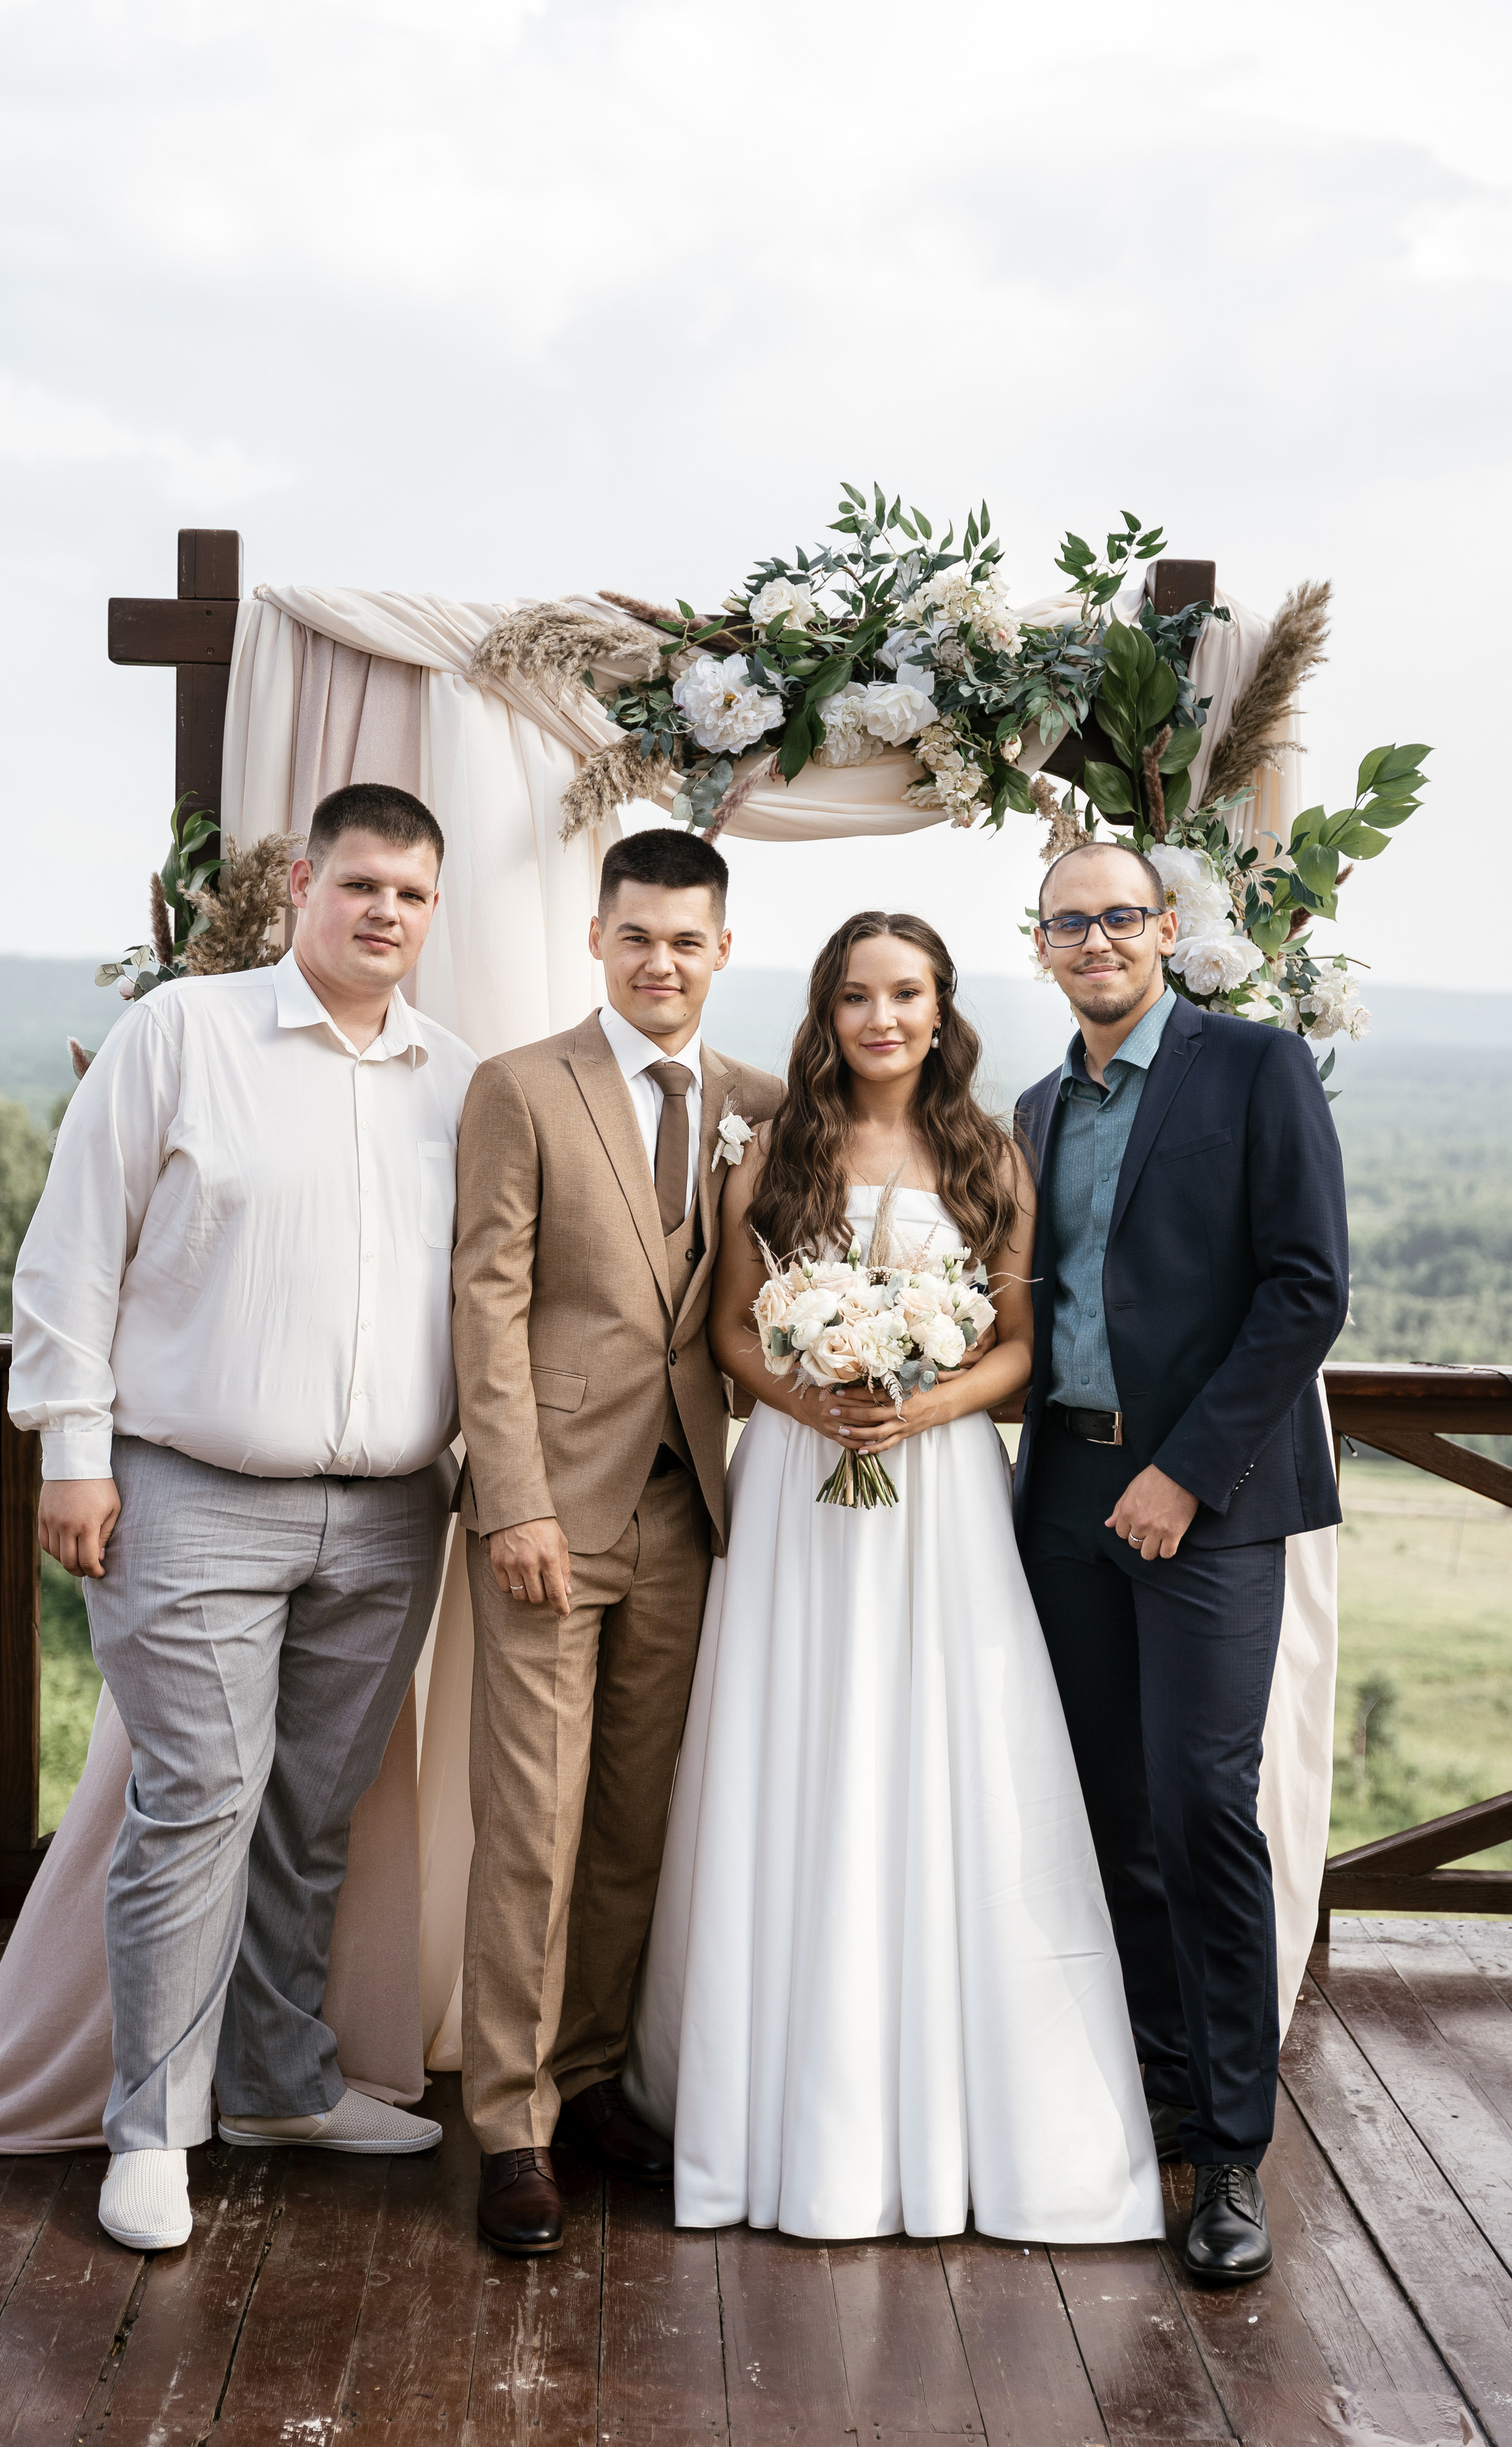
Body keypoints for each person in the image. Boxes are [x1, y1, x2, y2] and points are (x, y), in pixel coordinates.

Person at [624, 911, 1164, 2247]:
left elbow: (1020, 1342)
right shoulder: (772, 1148)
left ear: (940, 1008)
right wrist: (810, 1395)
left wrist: (923, 1409)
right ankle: (772, 2104)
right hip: (803, 1497)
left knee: (945, 1759)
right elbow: (733, 1332)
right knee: (797, 1753)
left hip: (938, 1499)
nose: (880, 1018)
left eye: (904, 994)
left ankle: (956, 2105)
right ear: (827, 1009)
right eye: (855, 995)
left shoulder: (991, 1151)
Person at [8, 782, 475, 2254]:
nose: (383, 913)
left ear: (432, 910)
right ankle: (152, 2126)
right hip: (189, 1492)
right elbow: (72, 1253)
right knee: (198, 1800)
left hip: (394, 1512)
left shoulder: (457, 1080)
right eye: (359, 886)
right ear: (301, 882)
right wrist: (71, 1452)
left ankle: (283, 2083)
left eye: (409, 894)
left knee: (312, 1814)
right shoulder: (182, 1035)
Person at [1015, 839, 1348, 2284]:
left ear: (1164, 928)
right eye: (1063, 923)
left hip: (1205, 1502)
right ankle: (1152, 2087)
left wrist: (1179, 1474)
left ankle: (1226, 2153)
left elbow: (1303, 1291)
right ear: (1039, 947)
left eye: (1115, 917)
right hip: (1060, 1494)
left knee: (1204, 1806)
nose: (1092, 940)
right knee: (1107, 1813)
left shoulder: (1251, 1069)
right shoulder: (1031, 1106)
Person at [450, 827, 784, 2256]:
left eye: (687, 940)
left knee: (635, 1825)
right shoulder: (519, 1087)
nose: (661, 961)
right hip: (549, 1514)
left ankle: (588, 2078)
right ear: (597, 939)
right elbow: (486, 1301)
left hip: (692, 1515)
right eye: (636, 935)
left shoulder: (758, 1103)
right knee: (532, 1821)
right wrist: (511, 1495)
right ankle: (509, 2125)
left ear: (722, 950)